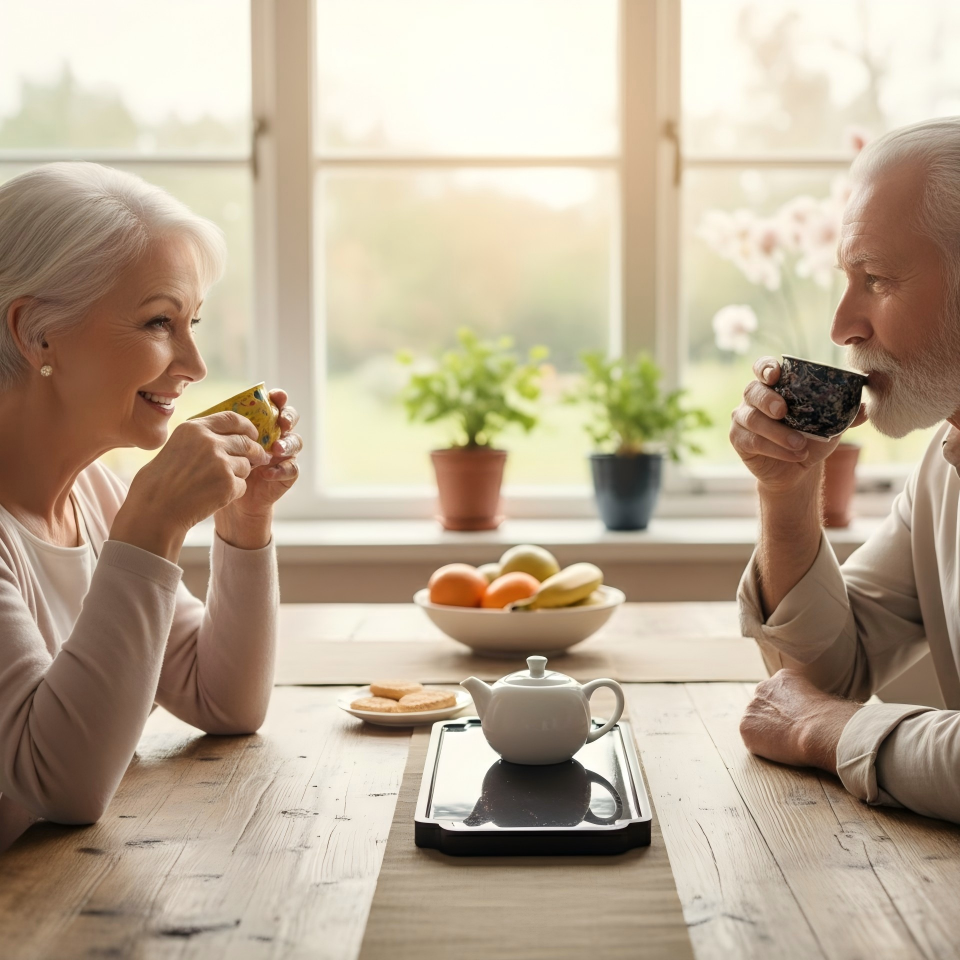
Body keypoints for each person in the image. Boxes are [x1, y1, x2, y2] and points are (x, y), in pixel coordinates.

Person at [0, 163, 302, 851]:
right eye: (160, 322)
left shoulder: (97, 494)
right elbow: (62, 785)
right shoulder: (120, 512)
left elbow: (224, 700)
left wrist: (243, 524)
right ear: (37, 333)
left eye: (191, 322)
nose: (194, 362)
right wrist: (153, 527)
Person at [733, 118, 960, 824]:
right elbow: (830, 670)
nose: (841, 326)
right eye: (846, 279)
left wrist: (820, 730)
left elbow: (810, 706)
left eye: (876, 280)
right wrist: (788, 489)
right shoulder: (942, 471)